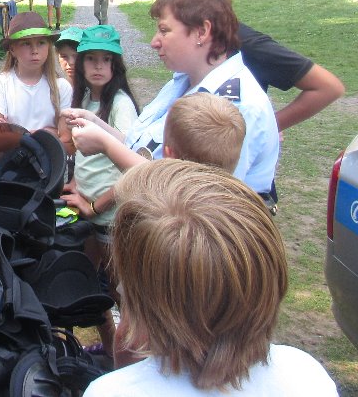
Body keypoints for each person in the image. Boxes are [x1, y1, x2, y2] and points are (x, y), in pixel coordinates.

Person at [82, 160, 338, 397]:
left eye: (125, 289)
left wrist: (125, 366)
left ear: (144, 306)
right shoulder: (306, 374)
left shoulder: (109, 391)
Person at [126, 0, 280, 196]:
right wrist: (97, 127)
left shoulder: (235, 106)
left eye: (164, 31)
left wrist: (105, 144)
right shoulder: (182, 82)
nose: (154, 42)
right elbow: (145, 146)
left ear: (202, 32)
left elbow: (203, 199)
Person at [161, 0, 344, 132]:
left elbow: (328, 87)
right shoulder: (185, 41)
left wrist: (269, 126)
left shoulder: (245, 42)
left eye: (180, 6)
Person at [60, 25, 139, 362]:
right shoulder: (84, 99)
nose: (97, 66)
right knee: (93, 290)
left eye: (105, 60)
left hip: (110, 219)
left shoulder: (120, 104)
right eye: (90, 58)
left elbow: (130, 163)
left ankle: (131, 361)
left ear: (115, 65)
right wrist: (76, 184)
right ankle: (109, 353)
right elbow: (83, 154)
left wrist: (95, 205)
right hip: (87, 215)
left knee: (125, 296)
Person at [69, 91, 246, 176]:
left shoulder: (167, 208)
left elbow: (150, 176)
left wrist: (105, 144)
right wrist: (98, 123)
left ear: (167, 153)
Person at [0, 11, 71, 136]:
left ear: (48, 46)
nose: (35, 51)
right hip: (12, 156)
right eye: (26, 43)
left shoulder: (61, 87)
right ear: (12, 49)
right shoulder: (0, 84)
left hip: (50, 156)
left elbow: (66, 140)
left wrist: (14, 133)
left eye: (41, 43)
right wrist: (50, 133)